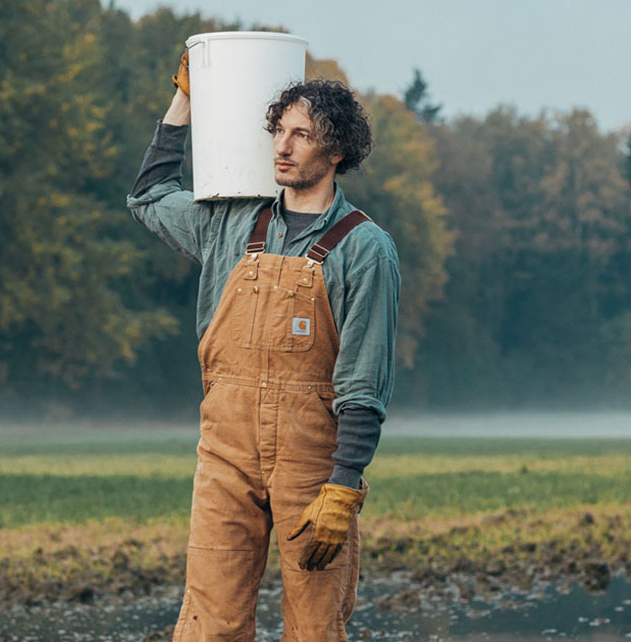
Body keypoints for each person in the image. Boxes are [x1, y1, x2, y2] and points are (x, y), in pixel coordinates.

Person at [126, 52, 400, 641]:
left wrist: (345, 483)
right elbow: (148, 197)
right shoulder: (228, 223)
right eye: (279, 131)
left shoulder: (366, 248)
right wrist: (186, 100)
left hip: (313, 465)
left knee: (314, 629)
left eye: (302, 135)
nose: (283, 145)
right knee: (209, 625)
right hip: (224, 453)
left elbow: (364, 380)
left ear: (337, 153)